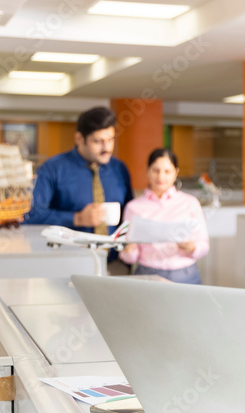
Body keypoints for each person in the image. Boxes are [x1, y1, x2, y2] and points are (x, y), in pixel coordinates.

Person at [24, 106, 133, 236]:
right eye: (98, 141)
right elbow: (30, 215)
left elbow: (130, 213)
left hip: (115, 254)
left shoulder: (119, 169)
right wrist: (77, 218)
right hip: (70, 254)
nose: (107, 148)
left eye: (111, 139)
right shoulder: (53, 169)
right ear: (79, 138)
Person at [119, 148, 209, 284]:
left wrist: (192, 247)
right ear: (147, 170)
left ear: (176, 172)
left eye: (167, 171)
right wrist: (128, 250)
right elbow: (130, 256)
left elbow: (204, 245)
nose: (161, 177)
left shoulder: (190, 203)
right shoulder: (133, 207)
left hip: (185, 275)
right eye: (156, 170)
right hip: (147, 275)